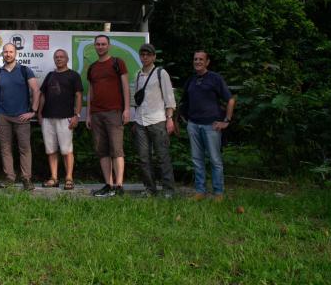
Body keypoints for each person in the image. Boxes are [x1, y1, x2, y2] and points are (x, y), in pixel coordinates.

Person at [181, 50, 236, 201]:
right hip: (193, 125)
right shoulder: (191, 80)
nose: (197, 61)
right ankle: (200, 191)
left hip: (211, 127)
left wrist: (227, 121)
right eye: (195, 59)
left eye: (201, 59)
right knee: (197, 160)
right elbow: (184, 101)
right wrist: (185, 119)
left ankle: (218, 193)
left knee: (215, 160)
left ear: (207, 62)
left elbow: (230, 100)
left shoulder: (215, 78)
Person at [0, 43, 40, 191]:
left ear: (15, 53)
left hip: (22, 116)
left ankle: (26, 179)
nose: (8, 54)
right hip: (3, 115)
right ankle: (10, 178)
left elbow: (36, 90)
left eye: (11, 52)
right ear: (2, 54)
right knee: (5, 148)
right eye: (5, 52)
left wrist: (33, 111)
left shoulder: (25, 70)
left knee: (24, 148)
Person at [86, 35, 131, 197]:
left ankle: (119, 186)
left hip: (114, 111)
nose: (100, 47)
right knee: (102, 151)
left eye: (103, 44)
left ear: (109, 46)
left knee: (116, 149)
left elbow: (126, 87)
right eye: (98, 44)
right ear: (94, 46)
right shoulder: (92, 68)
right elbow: (90, 92)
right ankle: (108, 184)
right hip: (97, 114)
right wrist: (89, 114)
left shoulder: (118, 63)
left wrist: (126, 109)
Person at [133, 44, 177, 197]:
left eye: (148, 54)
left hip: (158, 120)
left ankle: (168, 190)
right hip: (140, 121)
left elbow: (169, 97)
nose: (145, 57)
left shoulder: (161, 73)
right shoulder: (138, 74)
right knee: (144, 158)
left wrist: (169, 118)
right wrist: (135, 118)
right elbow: (137, 100)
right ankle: (150, 189)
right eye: (142, 54)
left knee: (162, 156)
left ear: (154, 57)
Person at [38, 49, 83, 191]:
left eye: (61, 57)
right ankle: (54, 178)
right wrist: (39, 113)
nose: (59, 59)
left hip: (66, 117)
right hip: (48, 117)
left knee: (66, 150)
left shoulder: (73, 75)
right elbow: (43, 95)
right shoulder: (50, 75)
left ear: (67, 59)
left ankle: (69, 178)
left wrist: (77, 115)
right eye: (56, 57)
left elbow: (78, 96)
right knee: (50, 150)